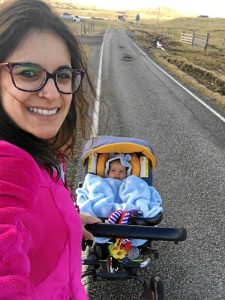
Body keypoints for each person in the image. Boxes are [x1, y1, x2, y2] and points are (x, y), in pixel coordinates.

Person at [0, 0, 100, 299]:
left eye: (63, 75)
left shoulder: (38, 153)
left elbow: (32, 215)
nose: (52, 92)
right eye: (29, 73)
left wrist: (67, 221)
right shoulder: (8, 168)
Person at [76, 154, 163, 246]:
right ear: (107, 172)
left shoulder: (128, 182)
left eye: (121, 171)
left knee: (135, 184)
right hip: (105, 206)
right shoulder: (103, 181)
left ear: (127, 173)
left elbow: (137, 192)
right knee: (98, 193)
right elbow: (94, 188)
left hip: (127, 211)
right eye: (113, 170)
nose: (117, 173)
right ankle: (104, 210)